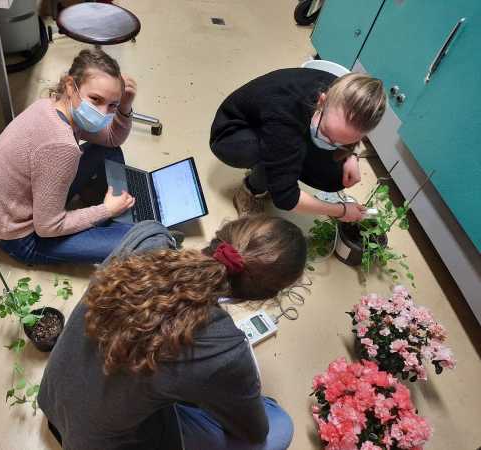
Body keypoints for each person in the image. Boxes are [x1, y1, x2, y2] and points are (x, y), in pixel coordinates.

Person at [38, 215, 307, 450]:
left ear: (226, 232)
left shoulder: (148, 236)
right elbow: (254, 431)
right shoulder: (225, 348)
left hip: (52, 396)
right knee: (280, 426)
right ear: (266, 295)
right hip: (99, 444)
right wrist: (242, 384)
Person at [0, 48, 138, 265]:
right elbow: (47, 227)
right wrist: (105, 210)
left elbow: (111, 140)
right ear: (71, 86)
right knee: (148, 239)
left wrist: (125, 106)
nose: (103, 112)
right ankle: (108, 212)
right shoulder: (61, 147)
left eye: (112, 105)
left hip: (19, 205)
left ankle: (104, 211)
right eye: (96, 99)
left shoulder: (51, 105)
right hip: (20, 236)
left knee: (108, 151)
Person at [210, 68, 386, 221]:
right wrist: (341, 211)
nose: (331, 143)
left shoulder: (344, 93)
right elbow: (286, 198)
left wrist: (351, 155)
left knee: (334, 178)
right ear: (322, 102)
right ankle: (249, 191)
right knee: (269, 156)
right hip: (233, 132)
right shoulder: (284, 115)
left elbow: (347, 131)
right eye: (327, 133)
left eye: (341, 141)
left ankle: (285, 163)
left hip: (283, 124)